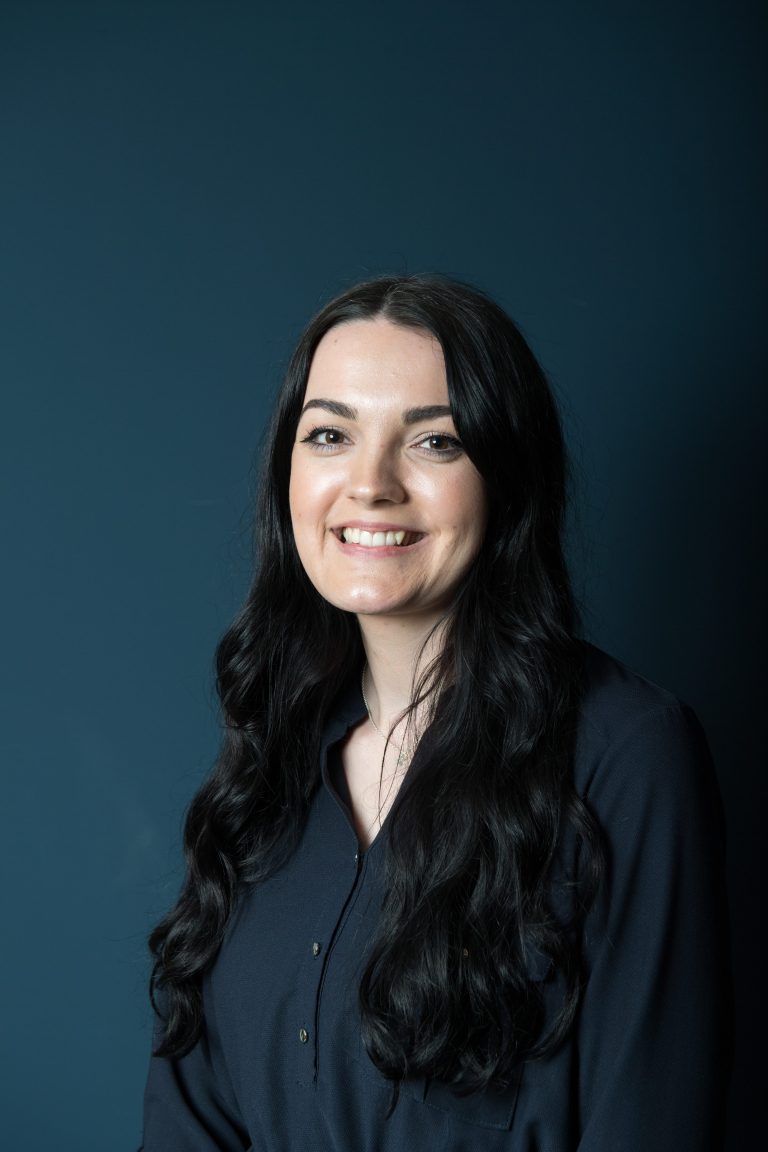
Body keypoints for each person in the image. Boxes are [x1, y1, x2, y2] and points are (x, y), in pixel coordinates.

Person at [140, 274, 731, 1150]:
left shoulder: (627, 755)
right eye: (331, 435)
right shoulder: (269, 763)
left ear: (507, 479)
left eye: (435, 442)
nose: (370, 484)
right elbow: (185, 1120)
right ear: (287, 474)